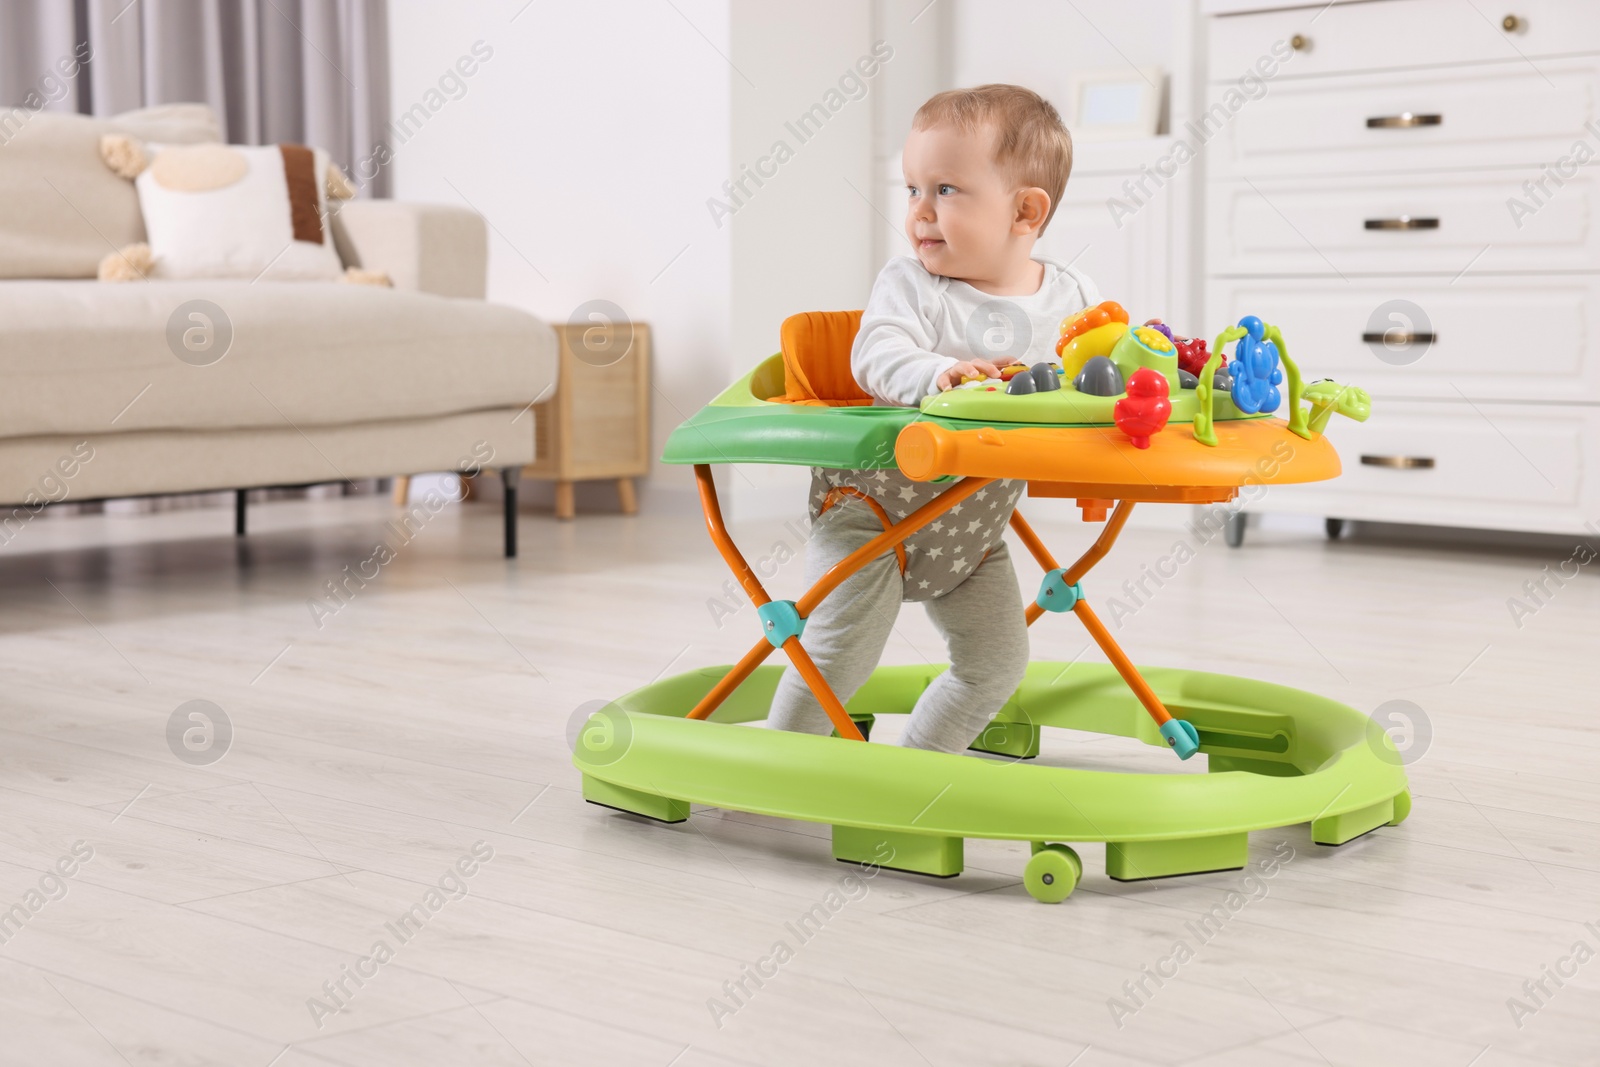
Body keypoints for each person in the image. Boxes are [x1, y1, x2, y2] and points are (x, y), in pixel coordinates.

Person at [766, 84, 1099, 753]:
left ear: (1025, 211)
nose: (919, 211)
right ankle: (773, 766)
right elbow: (876, 352)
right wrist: (934, 374)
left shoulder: (1072, 300)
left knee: (997, 665)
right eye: (912, 189)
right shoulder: (911, 284)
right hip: (871, 512)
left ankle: (917, 770)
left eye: (944, 189)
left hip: (972, 526)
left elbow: (1096, 374)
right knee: (838, 656)